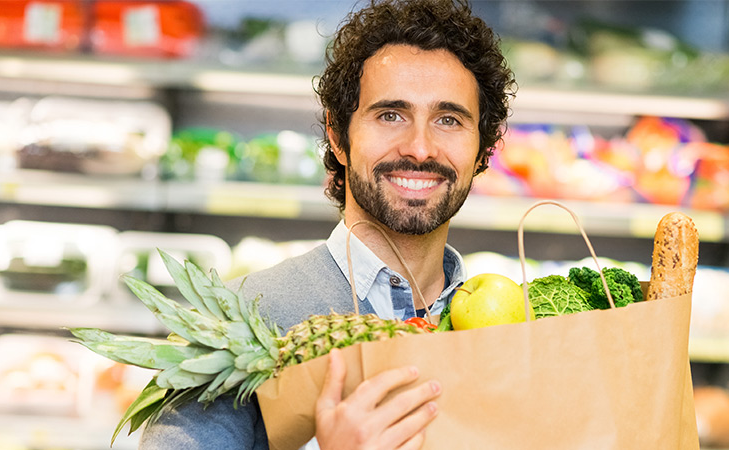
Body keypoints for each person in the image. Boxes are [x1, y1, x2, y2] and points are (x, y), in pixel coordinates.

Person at [138, 0, 515, 449]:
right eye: (390, 115)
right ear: (338, 136)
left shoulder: (516, 329)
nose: (419, 147)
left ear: (484, 150)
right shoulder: (235, 322)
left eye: (449, 119)